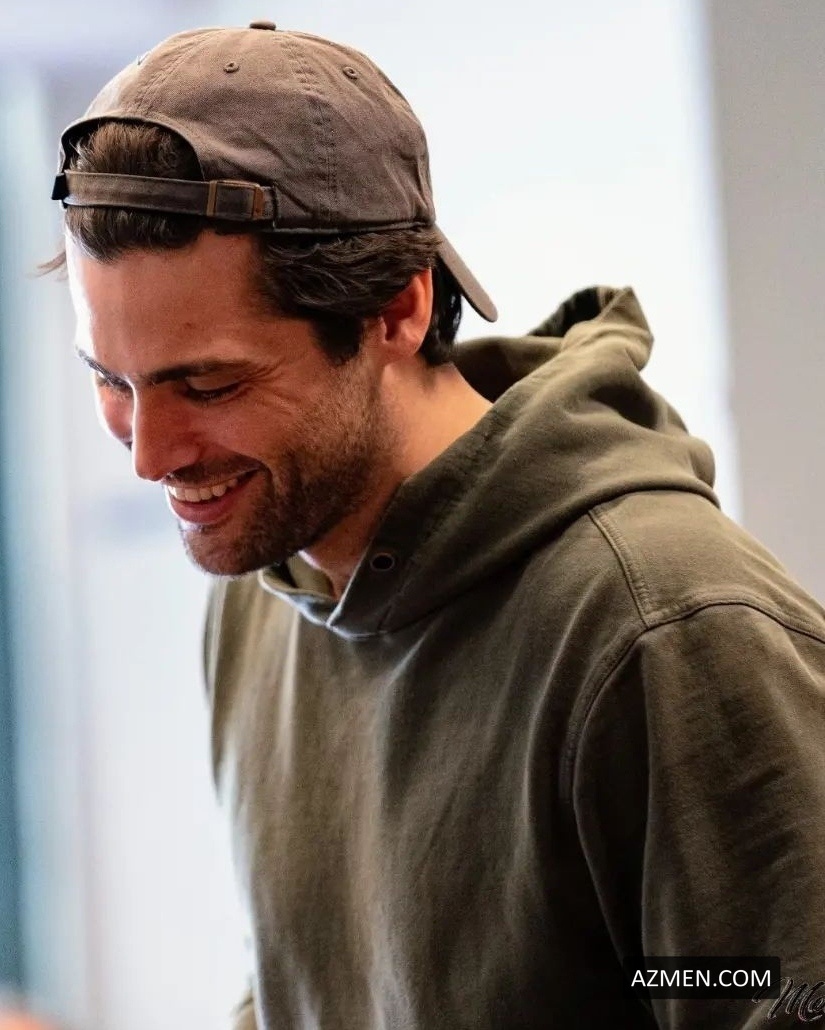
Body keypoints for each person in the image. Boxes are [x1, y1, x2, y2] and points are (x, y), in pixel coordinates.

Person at [50, 21, 825, 1030]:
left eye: (209, 384)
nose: (150, 455)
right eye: (111, 381)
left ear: (395, 309)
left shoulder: (664, 631)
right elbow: (304, 992)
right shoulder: (265, 590)